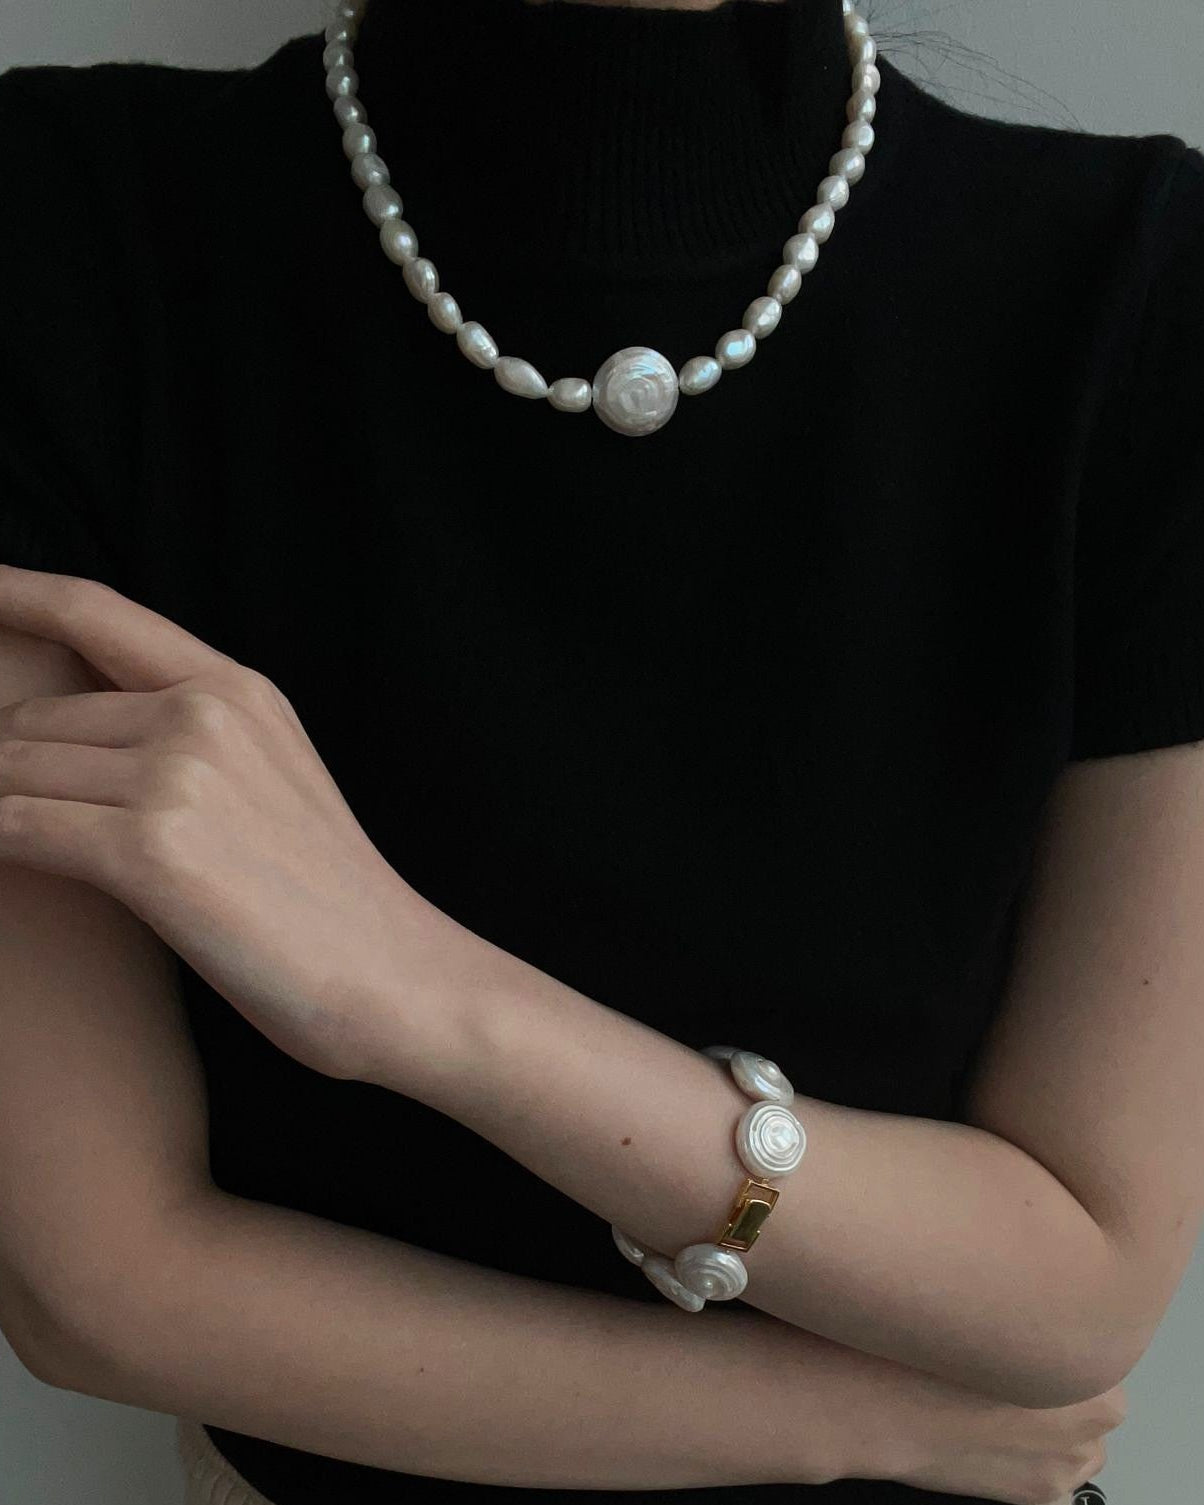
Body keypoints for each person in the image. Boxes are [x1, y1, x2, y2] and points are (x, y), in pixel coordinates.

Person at [0, 0, 1200, 1502]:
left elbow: (1082, 1286)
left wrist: (414, 992)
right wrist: (867, 1418)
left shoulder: (1135, 282)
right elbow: (96, 1286)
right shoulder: (62, 220)